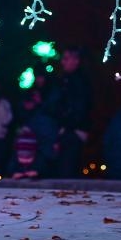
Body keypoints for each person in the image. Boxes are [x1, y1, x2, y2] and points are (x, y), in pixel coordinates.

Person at [48, 47, 92, 178]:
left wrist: (67, 126)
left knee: (67, 170)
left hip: (72, 131)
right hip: (70, 130)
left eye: (66, 59)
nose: (63, 62)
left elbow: (79, 107)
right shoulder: (69, 80)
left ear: (76, 60)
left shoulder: (76, 82)